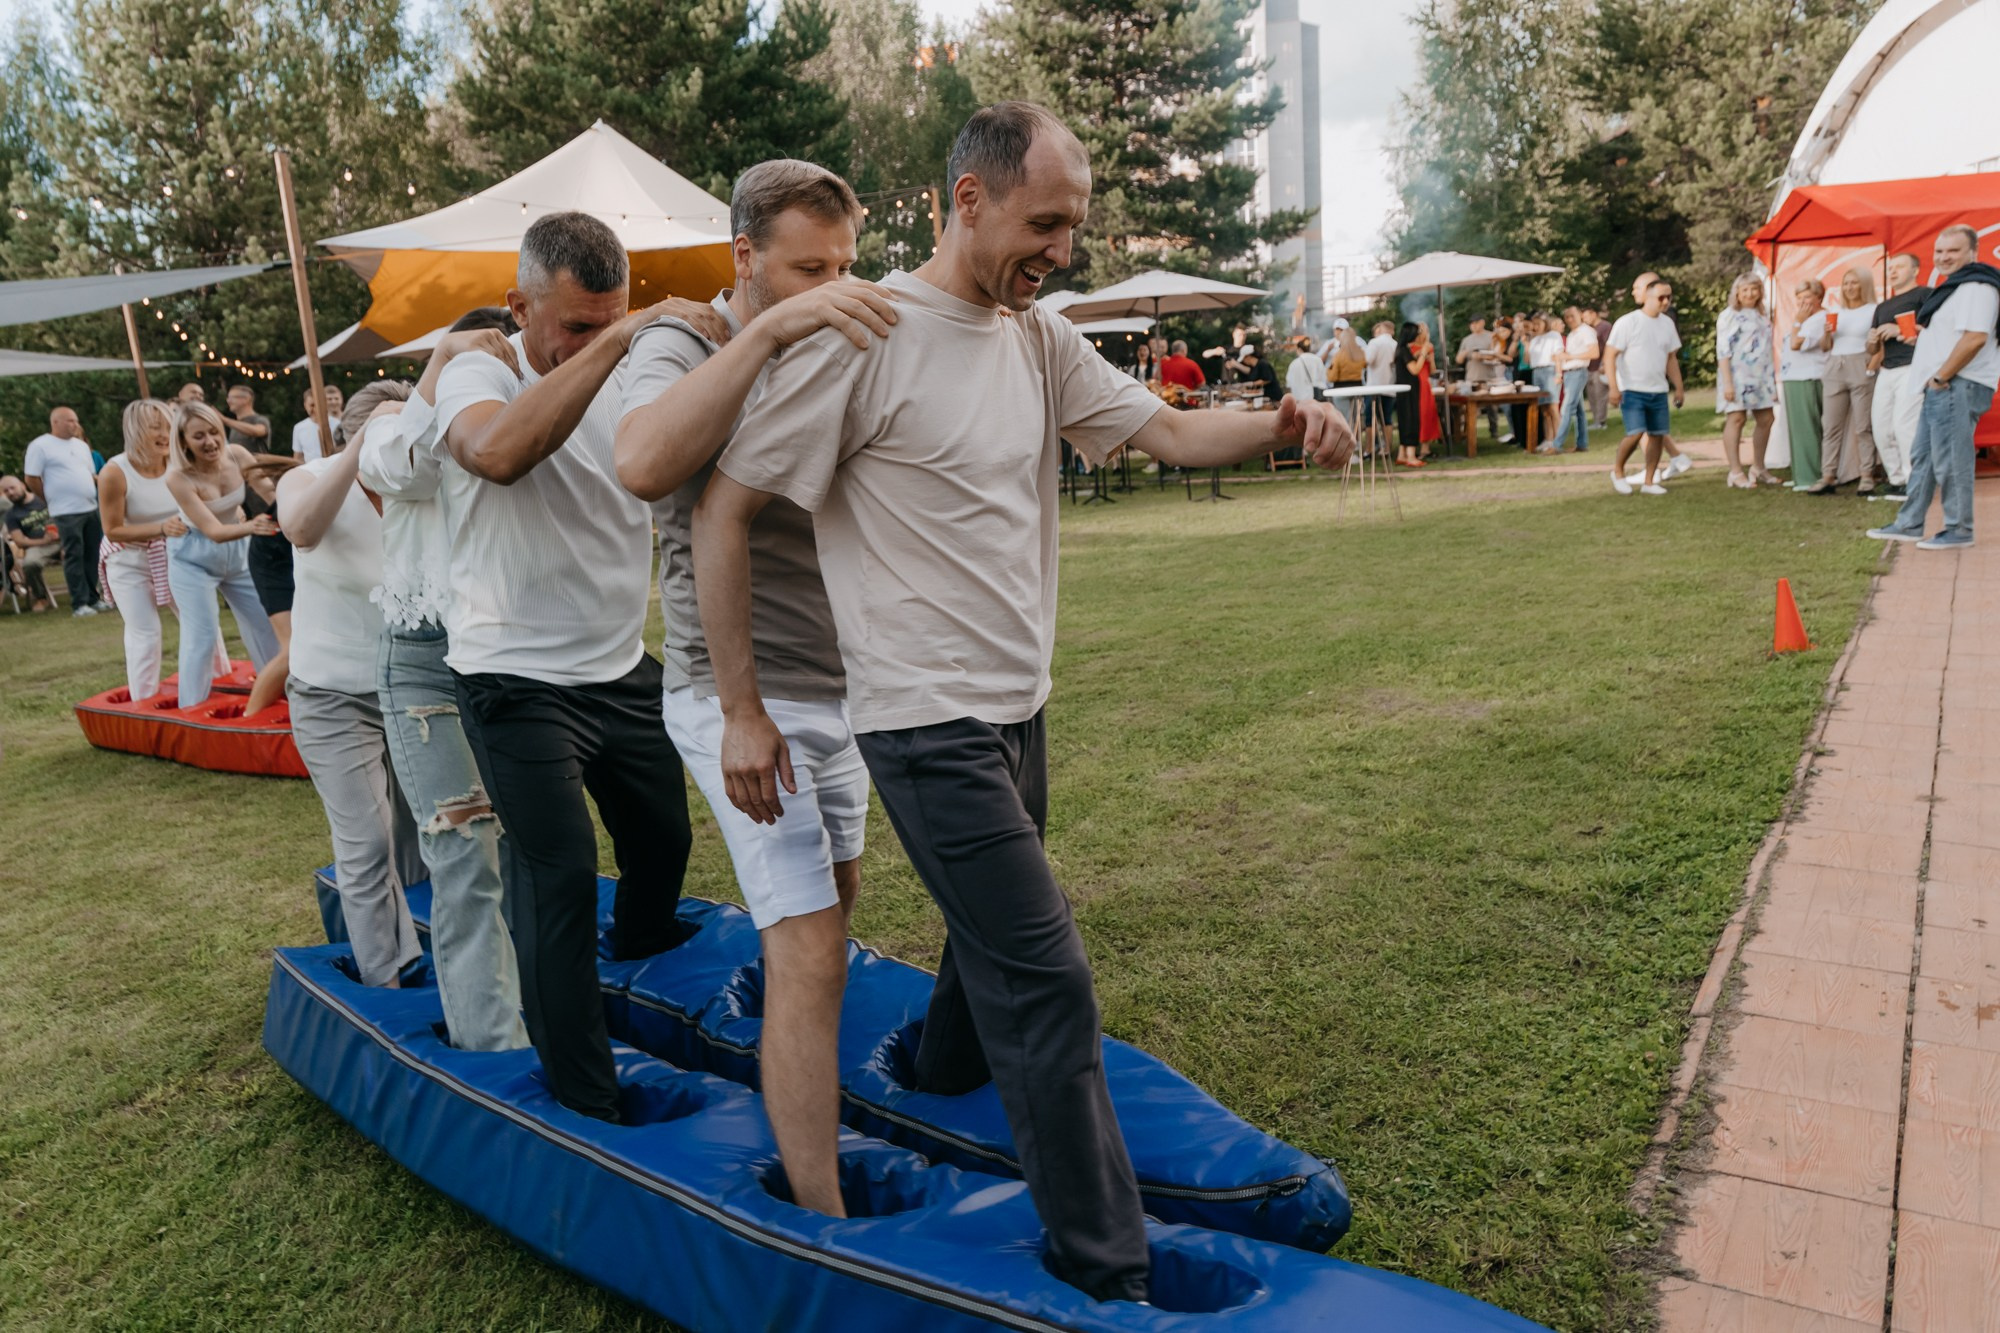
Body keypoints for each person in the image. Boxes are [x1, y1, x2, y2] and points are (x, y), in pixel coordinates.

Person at [690, 101, 1353, 1303]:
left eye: (1072, 225)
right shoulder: (864, 334)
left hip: (1013, 705)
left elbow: (1162, 429)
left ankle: (942, 1068)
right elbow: (723, 509)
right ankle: (1106, 1274)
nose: (1059, 248)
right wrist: (743, 710)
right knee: (1044, 980)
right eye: (1043, 222)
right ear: (968, 199)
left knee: (989, 943)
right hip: (917, 719)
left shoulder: (1036, 338)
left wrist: (1283, 422)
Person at [615, 159, 897, 1217]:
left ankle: (804, 1089)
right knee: (809, 938)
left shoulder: (841, 336)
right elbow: (642, 462)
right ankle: (821, 1218)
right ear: (744, 257)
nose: (832, 283)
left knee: (835, 912)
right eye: (806, 267)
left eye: (845, 264)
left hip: (841, 684)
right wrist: (769, 332)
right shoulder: (680, 341)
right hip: (735, 695)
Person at [433, 211, 697, 1123]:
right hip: (511, 672)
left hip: (617, 666)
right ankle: (586, 1097)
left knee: (665, 839)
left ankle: (646, 947)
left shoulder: (631, 370)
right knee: (560, 876)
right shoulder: (479, 369)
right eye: (576, 326)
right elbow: (499, 452)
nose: (596, 341)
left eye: (610, 318)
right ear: (520, 306)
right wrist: (617, 342)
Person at [357, 310, 532, 1051]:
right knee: (465, 856)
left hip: (513, 649)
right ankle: (495, 1050)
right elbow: (401, 465)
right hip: (425, 657)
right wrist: (440, 361)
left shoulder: (524, 409)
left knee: (531, 850)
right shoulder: (395, 424)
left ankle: (542, 1016)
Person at [278, 382, 424, 987]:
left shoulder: (417, 484)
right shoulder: (307, 479)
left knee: (428, 838)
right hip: (332, 696)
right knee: (366, 846)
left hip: (415, 686)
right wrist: (361, 441)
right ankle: (387, 986)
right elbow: (303, 530)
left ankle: (428, 950)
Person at [1867, 224, 2000, 551]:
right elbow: (1957, 336)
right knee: (1924, 457)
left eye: (1953, 251)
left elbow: (1975, 337)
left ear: (1973, 252)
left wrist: (1941, 377)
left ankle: (1958, 529)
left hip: (1955, 385)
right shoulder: (1957, 287)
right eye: (1939, 251)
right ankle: (1909, 523)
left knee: (1952, 458)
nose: (1943, 257)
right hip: (1943, 386)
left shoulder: (1977, 286)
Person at [161, 402, 282, 706]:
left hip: (238, 552)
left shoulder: (238, 455)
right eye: (198, 436)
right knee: (201, 636)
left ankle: (278, 696)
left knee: (267, 624)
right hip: (193, 556)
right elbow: (213, 531)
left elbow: (269, 492)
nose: (210, 442)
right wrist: (254, 526)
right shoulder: (178, 477)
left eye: (214, 432)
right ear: (183, 441)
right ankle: (190, 708)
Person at [97, 399, 216, 699]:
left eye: (169, 427)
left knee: (199, 621)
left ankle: (219, 685)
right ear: (136, 431)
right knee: (145, 632)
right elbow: (112, 529)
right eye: (156, 428)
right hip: (128, 559)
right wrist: (161, 528)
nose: (165, 434)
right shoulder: (115, 472)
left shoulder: (179, 465)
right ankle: (143, 702)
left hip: (175, 554)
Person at [23, 406, 108, 615]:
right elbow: (31, 478)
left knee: (92, 554)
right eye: (70, 421)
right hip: (65, 511)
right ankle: (79, 603)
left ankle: (93, 597)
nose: (75, 425)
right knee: (74, 554)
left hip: (90, 506)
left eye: (76, 420)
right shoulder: (41, 445)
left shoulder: (81, 446)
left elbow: (90, 474)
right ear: (55, 422)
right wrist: (49, 498)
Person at [1803, 266, 1878, 494]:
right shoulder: (1836, 311)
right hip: (1835, 365)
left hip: (1860, 364)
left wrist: (1870, 367)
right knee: (1831, 426)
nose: (1849, 287)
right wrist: (1826, 332)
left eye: (1854, 283)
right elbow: (1826, 347)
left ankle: (1867, 475)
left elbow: (1878, 346)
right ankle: (1828, 475)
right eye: (1846, 283)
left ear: (1864, 285)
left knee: (1863, 426)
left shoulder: (1874, 310)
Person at [1606, 278, 1684, 495]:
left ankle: (1649, 482)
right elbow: (1610, 355)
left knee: (1658, 434)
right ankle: (1618, 472)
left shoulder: (1667, 324)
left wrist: (1678, 387)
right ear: (1648, 297)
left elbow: (1671, 358)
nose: (1666, 301)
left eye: (1669, 297)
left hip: (1658, 389)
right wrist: (1614, 387)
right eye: (1661, 297)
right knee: (1636, 433)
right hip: (1632, 388)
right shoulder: (1628, 322)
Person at [1866, 252, 1931, 501]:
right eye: (1890, 268)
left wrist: (1900, 329)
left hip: (1913, 366)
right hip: (1887, 369)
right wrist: (1871, 341)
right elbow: (1873, 350)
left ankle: (1915, 481)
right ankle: (1897, 481)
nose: (1893, 272)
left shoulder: (1925, 295)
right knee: (1881, 427)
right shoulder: (1882, 307)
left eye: (1899, 267)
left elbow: (1938, 331)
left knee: (1905, 425)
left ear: (1915, 270)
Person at [1715, 276, 1780, 489]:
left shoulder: (1763, 315)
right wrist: (1728, 382)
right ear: (1737, 292)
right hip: (1737, 374)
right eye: (1745, 289)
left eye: (1754, 289)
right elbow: (1723, 350)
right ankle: (1735, 471)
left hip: (1761, 375)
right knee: (1736, 419)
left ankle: (1759, 467)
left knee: (1767, 418)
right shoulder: (1729, 316)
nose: (1750, 294)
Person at [1780, 278, 1829, 486]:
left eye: (1807, 297)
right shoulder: (1805, 318)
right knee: (1796, 429)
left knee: (1808, 428)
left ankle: (1811, 476)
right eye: (1799, 298)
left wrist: (1798, 321)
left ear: (1818, 297)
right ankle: (1799, 473)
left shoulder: (1821, 318)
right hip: (1792, 376)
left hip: (1809, 377)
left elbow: (1795, 343)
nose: (1802, 302)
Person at [1545, 306, 1597, 453]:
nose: (1569, 319)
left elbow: (1594, 352)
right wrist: (1561, 358)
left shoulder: (1586, 331)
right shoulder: (1573, 334)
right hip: (1569, 372)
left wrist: (1569, 357)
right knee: (1579, 412)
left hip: (1578, 372)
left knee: (1566, 408)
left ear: (1580, 315)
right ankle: (1582, 443)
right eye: (1566, 317)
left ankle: (1556, 445)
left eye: (1572, 316)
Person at [2, 474, 58, 610]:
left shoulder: (43, 499)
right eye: (6, 491)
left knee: (87, 549)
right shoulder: (11, 515)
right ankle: (41, 598)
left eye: (12, 488)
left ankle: (91, 594)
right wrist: (42, 541)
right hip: (38, 547)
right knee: (30, 564)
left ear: (22, 485)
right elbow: (19, 541)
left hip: (63, 540)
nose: (10, 493)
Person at [1456, 315, 1504, 443]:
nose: (1473, 326)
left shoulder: (1490, 336)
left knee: (1492, 408)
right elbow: (1458, 359)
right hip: (1472, 377)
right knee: (1470, 408)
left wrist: (1482, 356)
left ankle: (1494, 432)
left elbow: (1497, 355)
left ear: (1482, 322)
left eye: (1475, 323)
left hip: (1488, 377)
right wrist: (1467, 353)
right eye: (1471, 324)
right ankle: (1469, 433)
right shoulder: (1466, 340)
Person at [1363, 319, 1399, 452]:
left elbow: (1368, 361)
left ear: (1381, 329)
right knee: (1387, 419)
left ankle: (1369, 449)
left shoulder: (1374, 342)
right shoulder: (1395, 344)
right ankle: (1387, 448)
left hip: (1374, 386)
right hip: (1390, 386)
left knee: (1370, 419)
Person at [1527, 313, 1563, 443]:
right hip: (1536, 372)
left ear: (1545, 323)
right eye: (1534, 324)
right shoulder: (1534, 339)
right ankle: (1549, 438)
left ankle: (1558, 439)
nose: (1536, 326)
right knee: (1544, 409)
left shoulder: (1554, 336)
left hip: (1549, 370)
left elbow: (1558, 355)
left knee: (1553, 407)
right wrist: (1526, 343)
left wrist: (1558, 373)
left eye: (1538, 323)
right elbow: (1528, 360)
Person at [291, 386, 346, 462]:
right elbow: (298, 457)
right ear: (305, 405)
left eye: (317, 405)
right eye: (312, 405)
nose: (315, 409)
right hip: (310, 472)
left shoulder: (338, 424)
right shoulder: (298, 428)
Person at [1585, 304, 1612, 427]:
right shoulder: (1588, 329)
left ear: (1593, 314)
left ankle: (1601, 422)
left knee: (1600, 395)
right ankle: (1596, 421)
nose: (1584, 320)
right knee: (1592, 396)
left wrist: (1604, 364)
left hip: (1600, 367)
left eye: (1586, 316)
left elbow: (1609, 346)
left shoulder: (1605, 327)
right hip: (1589, 367)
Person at [221, 384, 272, 450]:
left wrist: (224, 420)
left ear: (246, 399)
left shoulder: (260, 419)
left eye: (232, 398)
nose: (228, 401)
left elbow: (258, 431)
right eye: (228, 398)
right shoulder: (235, 424)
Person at [1284, 333, 1326, 401]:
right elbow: (1324, 378)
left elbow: (1289, 384)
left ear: (1299, 349)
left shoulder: (1294, 364)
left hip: (1300, 400)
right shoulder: (1318, 360)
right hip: (1316, 398)